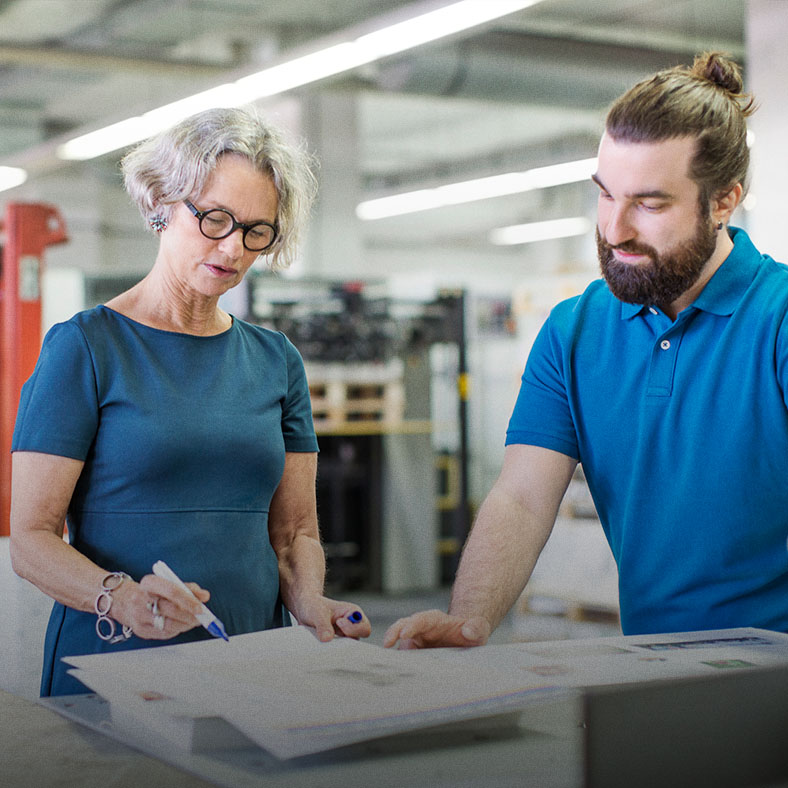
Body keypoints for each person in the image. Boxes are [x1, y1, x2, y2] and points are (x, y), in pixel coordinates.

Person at [385, 51, 788, 650]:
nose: (614, 228)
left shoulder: (778, 319)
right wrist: (469, 618)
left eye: (650, 204)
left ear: (725, 201)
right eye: (605, 195)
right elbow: (522, 498)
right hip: (653, 668)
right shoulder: (574, 332)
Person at [10, 106, 370, 696]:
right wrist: (122, 599)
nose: (233, 249)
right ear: (161, 203)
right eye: (216, 219)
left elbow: (295, 531)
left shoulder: (277, 360)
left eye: (256, 231)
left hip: (252, 654)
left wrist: (310, 602)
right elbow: (31, 538)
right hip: (116, 661)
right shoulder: (85, 348)